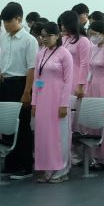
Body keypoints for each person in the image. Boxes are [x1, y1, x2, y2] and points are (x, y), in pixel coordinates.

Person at [0, 2, 39, 178]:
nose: (5, 25)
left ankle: (25, 166)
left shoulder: (30, 40)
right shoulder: (3, 38)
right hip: (5, 83)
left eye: (8, 21)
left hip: (21, 84)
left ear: (19, 19)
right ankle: (11, 163)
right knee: (7, 124)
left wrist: (27, 92)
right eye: (4, 21)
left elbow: (31, 69)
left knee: (22, 126)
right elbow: (0, 66)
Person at [31, 20, 76, 183]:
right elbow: (37, 79)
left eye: (48, 35)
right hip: (43, 100)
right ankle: (47, 170)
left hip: (58, 100)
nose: (44, 39)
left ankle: (61, 170)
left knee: (59, 136)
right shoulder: (40, 53)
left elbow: (68, 81)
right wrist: (34, 102)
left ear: (57, 35)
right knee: (44, 136)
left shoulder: (64, 54)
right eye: (42, 36)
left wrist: (64, 104)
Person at [79, 19, 104, 170]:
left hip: (103, 86)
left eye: (95, 34)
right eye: (90, 34)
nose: (92, 37)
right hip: (91, 85)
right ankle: (95, 156)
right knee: (92, 121)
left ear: (103, 34)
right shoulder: (92, 48)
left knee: (103, 123)